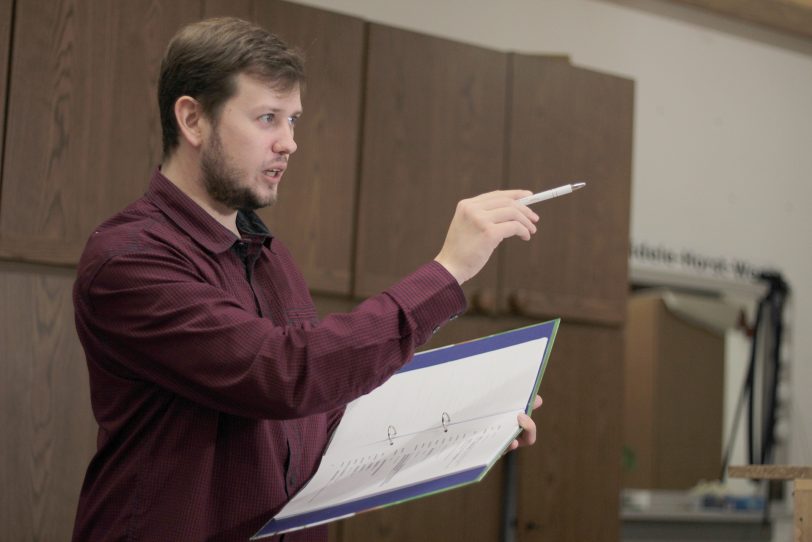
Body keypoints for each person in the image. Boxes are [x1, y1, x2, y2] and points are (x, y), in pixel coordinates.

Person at [71, 17, 542, 542]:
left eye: (293, 120)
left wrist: (468, 425)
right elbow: (287, 375)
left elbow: (325, 411)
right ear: (193, 120)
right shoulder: (129, 261)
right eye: (267, 118)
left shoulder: (272, 259)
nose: (290, 143)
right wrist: (449, 269)